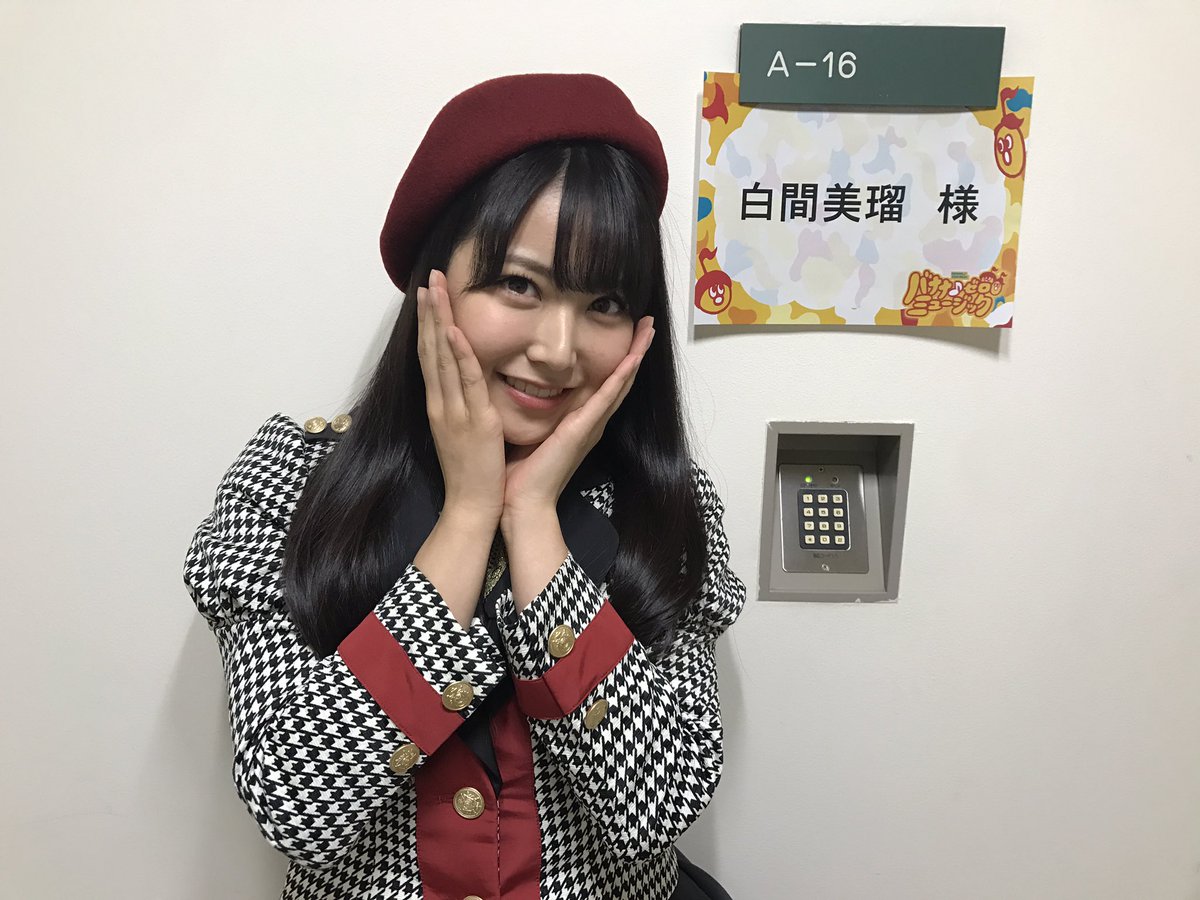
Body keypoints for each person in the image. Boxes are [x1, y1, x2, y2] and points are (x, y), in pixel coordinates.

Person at [184, 72, 745, 900]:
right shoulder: (291, 483)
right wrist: (471, 513)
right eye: (519, 285)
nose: (558, 349)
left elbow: (658, 807)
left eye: (605, 302)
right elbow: (294, 806)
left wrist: (534, 524)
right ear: (432, 283)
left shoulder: (665, 504)